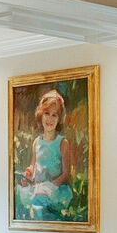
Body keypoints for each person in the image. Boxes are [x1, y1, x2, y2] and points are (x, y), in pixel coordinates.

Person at [16, 88, 77, 219]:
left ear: (59, 119)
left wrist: (50, 186)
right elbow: (33, 166)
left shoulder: (62, 143)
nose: (50, 119)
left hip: (56, 189)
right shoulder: (37, 142)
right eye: (47, 113)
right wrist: (29, 173)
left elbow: (66, 174)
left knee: (41, 204)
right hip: (38, 188)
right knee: (23, 195)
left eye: (54, 115)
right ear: (40, 115)